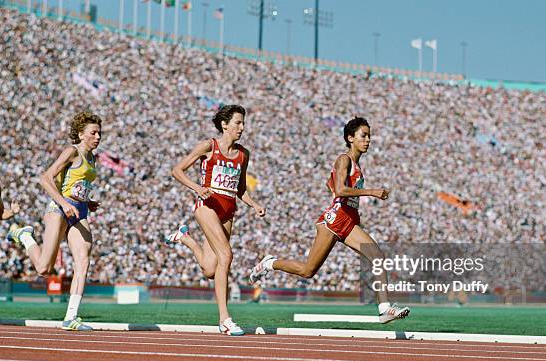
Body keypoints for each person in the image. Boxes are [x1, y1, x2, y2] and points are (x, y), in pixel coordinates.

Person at [250, 117, 410, 323]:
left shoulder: (357, 166)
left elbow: (331, 185)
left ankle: (384, 309)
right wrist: (371, 192)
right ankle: (270, 263)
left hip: (349, 221)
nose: (368, 140)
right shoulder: (344, 159)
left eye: (369, 136)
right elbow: (340, 190)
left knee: (377, 256)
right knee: (307, 271)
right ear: (350, 138)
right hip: (334, 222)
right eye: (364, 135)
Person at [165, 104, 265, 336]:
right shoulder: (208, 146)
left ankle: (185, 238)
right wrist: (197, 188)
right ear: (224, 124)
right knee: (226, 255)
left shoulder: (243, 154)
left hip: (228, 210)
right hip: (207, 206)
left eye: (243, 123)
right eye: (238, 122)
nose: (242, 127)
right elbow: (177, 170)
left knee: (210, 269)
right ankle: (225, 319)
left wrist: (255, 205)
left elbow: (241, 189)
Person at [7, 111, 102, 331]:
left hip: (79, 211)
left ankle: (71, 317)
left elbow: (77, 185)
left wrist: (87, 202)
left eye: (99, 133)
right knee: (43, 268)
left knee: (83, 260)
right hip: (59, 209)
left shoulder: (92, 157)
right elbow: (45, 178)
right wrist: (64, 203)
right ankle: (25, 236)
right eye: (93, 132)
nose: (98, 137)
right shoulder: (72, 151)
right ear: (81, 134)